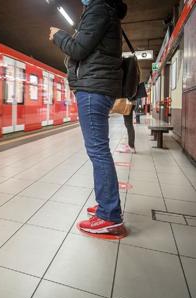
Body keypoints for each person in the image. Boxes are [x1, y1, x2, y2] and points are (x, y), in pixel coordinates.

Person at [49, 0, 128, 236]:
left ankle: (109, 215)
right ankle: (107, 205)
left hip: (93, 89)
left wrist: (59, 36)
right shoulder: (106, 9)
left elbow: (79, 49)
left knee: (98, 151)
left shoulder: (99, 8)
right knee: (99, 151)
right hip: (97, 87)